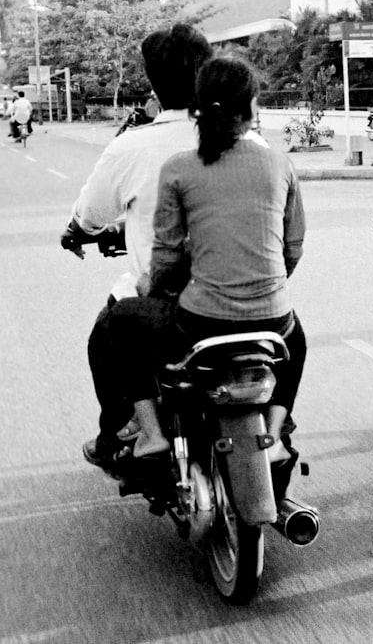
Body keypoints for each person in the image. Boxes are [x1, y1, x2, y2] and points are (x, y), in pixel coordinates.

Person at [107, 55, 306, 467]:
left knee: (123, 320)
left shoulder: (179, 168)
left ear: (197, 110)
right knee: (296, 342)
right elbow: (293, 246)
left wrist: (154, 287)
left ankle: (151, 433)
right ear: (252, 108)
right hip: (273, 318)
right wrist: (268, 283)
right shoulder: (279, 162)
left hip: (202, 321)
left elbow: (166, 251)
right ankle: (276, 435)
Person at [62, 23, 213, 467]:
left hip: (171, 303)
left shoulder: (135, 147)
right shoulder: (249, 144)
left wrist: (79, 230)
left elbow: (90, 216)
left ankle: (126, 432)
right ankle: (280, 434)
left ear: (152, 84)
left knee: (107, 334)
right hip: (252, 295)